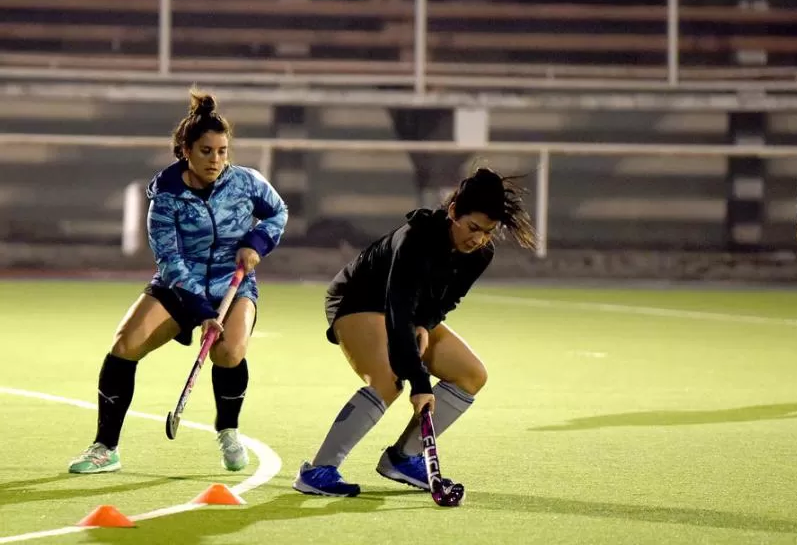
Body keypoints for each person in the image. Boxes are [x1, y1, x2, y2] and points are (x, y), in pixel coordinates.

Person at [68, 89, 288, 474]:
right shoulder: (166, 197)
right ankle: (106, 447)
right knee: (124, 344)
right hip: (178, 287)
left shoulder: (246, 183)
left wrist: (256, 242)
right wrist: (202, 311)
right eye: (206, 151)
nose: (216, 160)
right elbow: (170, 261)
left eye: (222, 151)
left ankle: (228, 431)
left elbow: (278, 212)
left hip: (231, 285)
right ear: (186, 150)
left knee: (230, 352)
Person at [293, 167, 536, 496]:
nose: (478, 238)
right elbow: (398, 310)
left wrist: (426, 324)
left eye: (488, 232)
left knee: (472, 374)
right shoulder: (415, 239)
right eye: (473, 227)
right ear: (453, 213)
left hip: (406, 312)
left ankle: (403, 458)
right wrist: (419, 383)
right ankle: (319, 471)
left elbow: (447, 299)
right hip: (358, 299)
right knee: (390, 378)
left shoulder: (480, 253)